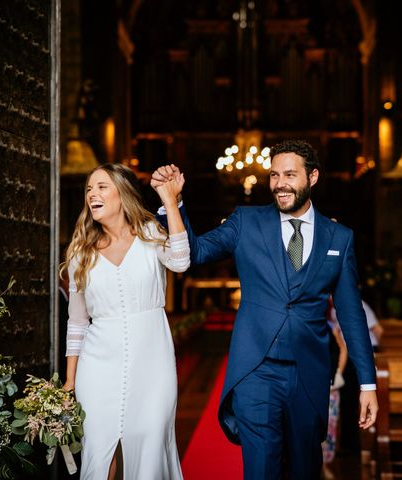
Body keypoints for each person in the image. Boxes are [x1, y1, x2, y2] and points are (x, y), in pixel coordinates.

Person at [152, 140, 378, 479]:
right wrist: (173, 203)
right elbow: (194, 253)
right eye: (274, 175)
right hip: (256, 370)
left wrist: (368, 385)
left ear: (312, 177)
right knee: (261, 470)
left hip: (309, 373)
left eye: (289, 174)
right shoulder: (246, 222)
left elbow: (351, 316)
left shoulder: (339, 238)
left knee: (304, 469)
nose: (280, 184)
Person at [62, 164, 189, 480]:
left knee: (149, 445)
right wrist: (70, 380)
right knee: (99, 454)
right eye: (89, 189)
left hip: (153, 365)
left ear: (123, 194)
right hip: (97, 366)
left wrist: (170, 201)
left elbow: (181, 260)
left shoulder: (149, 234)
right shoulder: (81, 252)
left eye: (102, 187)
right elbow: (77, 322)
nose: (93, 194)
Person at [322, 298, 348, 479]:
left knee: (329, 427)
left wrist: (338, 372)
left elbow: (343, 350)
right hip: (310, 383)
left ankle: (325, 464)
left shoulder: (331, 327)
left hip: (329, 385)